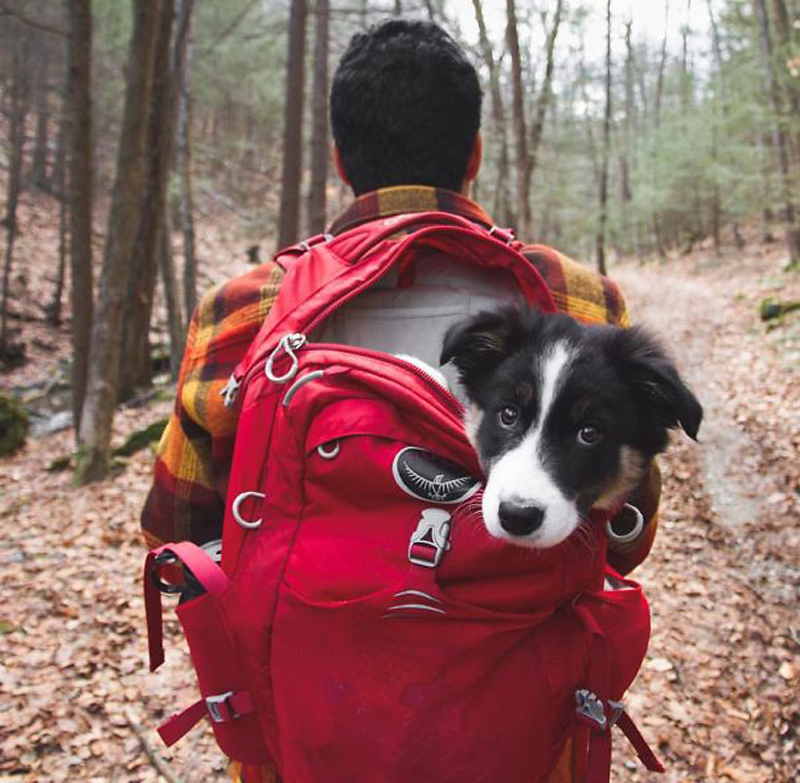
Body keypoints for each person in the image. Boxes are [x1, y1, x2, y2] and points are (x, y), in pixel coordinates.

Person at [141, 19, 661, 783]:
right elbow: (626, 527)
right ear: (475, 155)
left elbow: (175, 524)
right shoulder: (577, 300)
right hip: (519, 740)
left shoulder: (245, 309)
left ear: (339, 159)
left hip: (308, 741)